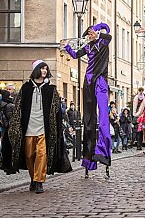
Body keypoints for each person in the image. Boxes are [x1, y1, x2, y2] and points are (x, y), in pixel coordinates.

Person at [8, 60, 72, 193]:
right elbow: (18, 108)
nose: (44, 71)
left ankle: (39, 182)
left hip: (43, 128)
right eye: (42, 68)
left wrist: (58, 127)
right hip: (28, 128)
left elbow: (56, 110)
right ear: (36, 70)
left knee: (42, 155)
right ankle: (33, 178)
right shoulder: (26, 88)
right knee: (29, 155)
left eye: (46, 69)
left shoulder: (51, 89)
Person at [65, 22, 112, 178]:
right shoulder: (88, 47)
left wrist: (97, 30)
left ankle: (103, 154)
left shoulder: (103, 43)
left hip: (100, 82)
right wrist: (67, 47)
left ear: (97, 33)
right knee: (88, 120)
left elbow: (109, 34)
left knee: (103, 117)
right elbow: (75, 55)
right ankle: (88, 160)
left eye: (91, 33)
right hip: (89, 81)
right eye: (89, 34)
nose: (89, 36)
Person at [0, 89, 15, 174]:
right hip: (8, 127)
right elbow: (11, 117)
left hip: (1, 126)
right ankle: (6, 163)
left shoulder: (0, 104)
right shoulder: (9, 105)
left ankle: (0, 160)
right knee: (8, 145)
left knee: (3, 143)